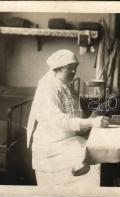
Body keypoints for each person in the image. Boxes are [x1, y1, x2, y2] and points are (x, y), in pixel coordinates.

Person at [26, 49, 110, 186]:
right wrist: (91, 122)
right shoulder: (48, 88)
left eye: (75, 68)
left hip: (68, 139)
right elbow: (60, 120)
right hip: (52, 144)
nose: (73, 71)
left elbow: (76, 114)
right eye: (69, 68)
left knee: (99, 151)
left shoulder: (67, 87)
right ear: (57, 69)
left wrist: (96, 113)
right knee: (95, 159)